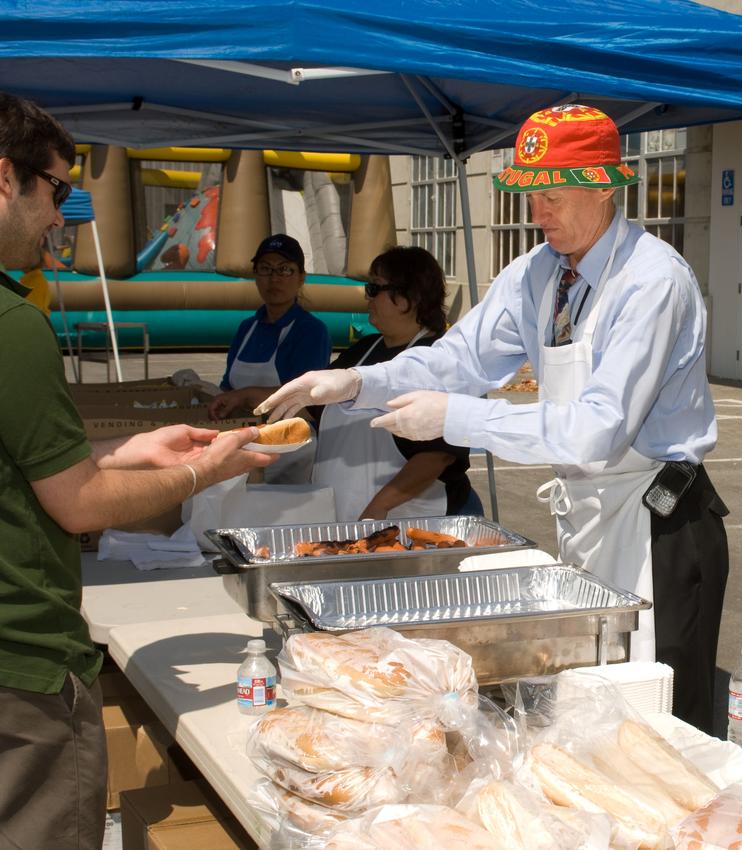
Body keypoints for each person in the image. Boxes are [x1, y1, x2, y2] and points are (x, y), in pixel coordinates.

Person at [258, 104, 730, 733]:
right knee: (591, 707)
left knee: (663, 719)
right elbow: (458, 359)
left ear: (604, 186)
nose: (538, 214)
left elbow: (596, 429)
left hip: (658, 523)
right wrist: (357, 381)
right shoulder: (538, 273)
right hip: (588, 516)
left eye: (553, 196)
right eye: (530, 196)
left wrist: (458, 418)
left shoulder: (651, 281)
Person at [0, 91, 274, 850]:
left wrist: (124, 452)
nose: (61, 216)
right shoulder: (12, 323)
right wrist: (203, 472)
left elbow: (25, 465)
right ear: (5, 178)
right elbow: (80, 506)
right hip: (21, 664)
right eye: (57, 189)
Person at [309, 245, 481, 520]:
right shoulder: (363, 350)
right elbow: (312, 399)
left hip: (409, 521)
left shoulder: (443, 361)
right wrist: (251, 400)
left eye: (374, 288)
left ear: (407, 298)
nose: (367, 297)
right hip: (344, 514)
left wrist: (379, 507)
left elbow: (437, 455)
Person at [207, 232, 331, 419]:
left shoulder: (311, 331)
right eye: (265, 269)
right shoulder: (247, 328)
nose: (274, 279)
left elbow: (303, 395)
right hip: (239, 429)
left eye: (284, 269)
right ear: (255, 275)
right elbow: (227, 388)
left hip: (290, 434)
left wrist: (244, 397)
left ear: (301, 277)